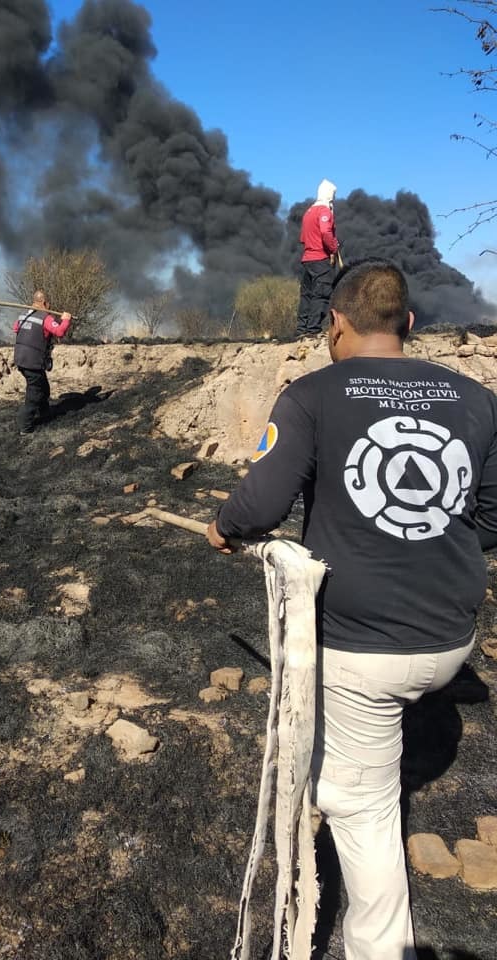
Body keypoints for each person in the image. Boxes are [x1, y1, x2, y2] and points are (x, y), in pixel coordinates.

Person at [207, 259, 497, 960]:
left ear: (335, 322)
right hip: (453, 637)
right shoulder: (477, 397)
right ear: (410, 324)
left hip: (365, 652)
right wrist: (424, 543)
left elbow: (261, 504)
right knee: (376, 737)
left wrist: (225, 529)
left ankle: (381, 947)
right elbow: (489, 517)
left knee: (363, 809)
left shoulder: (311, 395)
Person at [13, 290, 71, 435]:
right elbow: (59, 332)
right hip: (32, 361)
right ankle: (24, 426)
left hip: (20, 359)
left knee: (43, 387)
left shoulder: (23, 316)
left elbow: (15, 328)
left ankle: (44, 412)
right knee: (35, 393)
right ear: (45, 303)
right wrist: (66, 319)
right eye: (48, 302)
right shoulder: (45, 317)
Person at [295, 178, 340, 338]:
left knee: (307, 294)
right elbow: (325, 232)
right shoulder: (324, 212)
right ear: (329, 195)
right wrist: (334, 247)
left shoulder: (308, 212)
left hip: (307, 259)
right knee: (321, 294)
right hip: (320, 259)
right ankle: (313, 330)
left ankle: (301, 329)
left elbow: (303, 238)